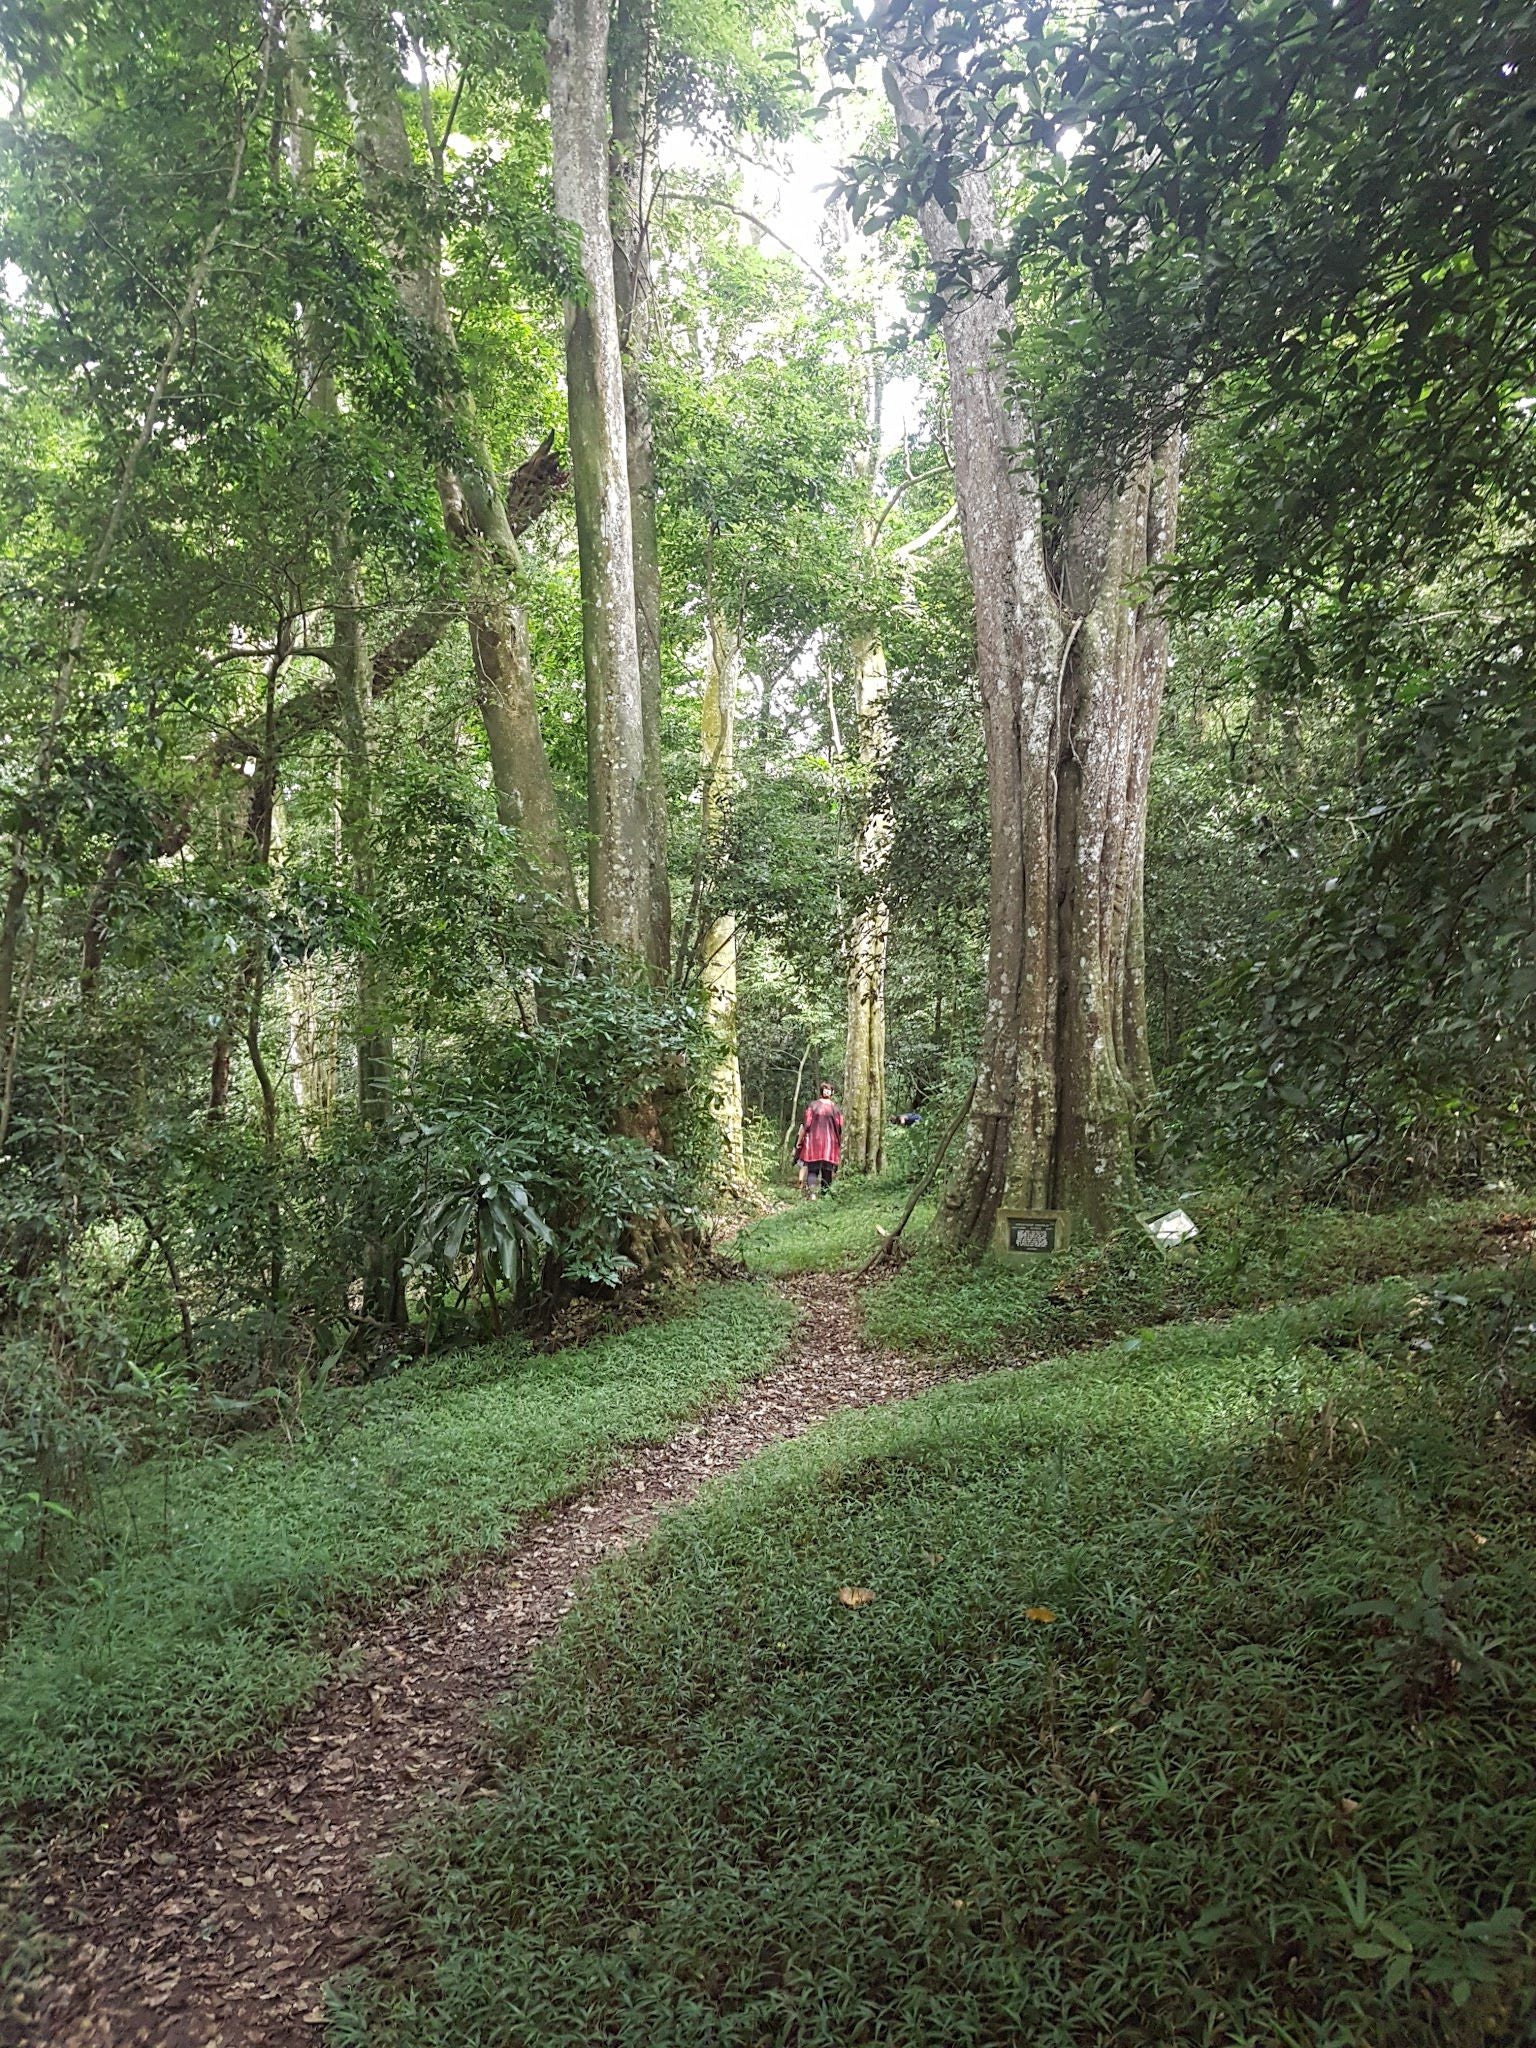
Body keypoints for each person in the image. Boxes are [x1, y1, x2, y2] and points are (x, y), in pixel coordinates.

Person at [795, 1080, 843, 1199]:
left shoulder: (813, 1106)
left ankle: (812, 1194)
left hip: (813, 1143)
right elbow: (840, 1126)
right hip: (830, 1145)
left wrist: (799, 1141)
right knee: (827, 1171)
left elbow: (806, 1124)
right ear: (831, 1093)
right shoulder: (835, 1109)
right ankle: (825, 1194)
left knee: (812, 1170)